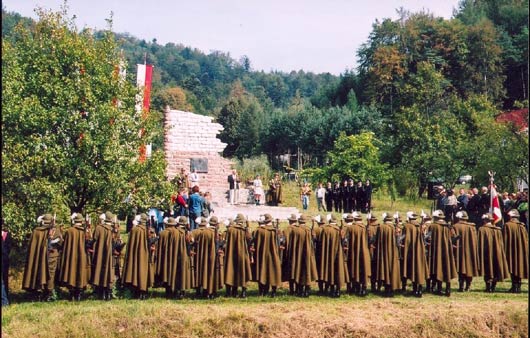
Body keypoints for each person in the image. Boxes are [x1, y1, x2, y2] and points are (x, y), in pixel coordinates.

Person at [58, 213, 90, 301]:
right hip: (82, 256)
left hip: (71, 256)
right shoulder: (85, 231)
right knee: (80, 273)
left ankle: (72, 295)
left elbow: (64, 243)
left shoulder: (69, 231)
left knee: (71, 273)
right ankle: (78, 294)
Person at [286, 214, 318, 297]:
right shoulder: (309, 230)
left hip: (297, 254)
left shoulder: (295, 230)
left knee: (298, 270)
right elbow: (314, 240)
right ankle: (307, 290)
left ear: (299, 221)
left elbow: (292, 244)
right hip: (308, 254)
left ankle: (299, 290)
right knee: (307, 271)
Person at [22, 214, 53, 300]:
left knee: (35, 271)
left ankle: (38, 294)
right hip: (46, 259)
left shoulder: (36, 231)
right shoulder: (48, 231)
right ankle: (41, 294)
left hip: (37, 258)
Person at [122, 213, 152, 299]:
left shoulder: (134, 230)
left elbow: (130, 245)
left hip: (135, 255)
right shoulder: (148, 230)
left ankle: (137, 293)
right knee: (144, 272)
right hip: (145, 255)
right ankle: (144, 292)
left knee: (136, 271)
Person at [427, 210, 457, 296]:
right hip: (447, 250)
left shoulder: (432, 226)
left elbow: (428, 238)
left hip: (436, 250)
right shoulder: (448, 226)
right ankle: (448, 289)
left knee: (438, 268)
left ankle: (439, 289)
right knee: (446, 267)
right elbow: (454, 237)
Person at [478, 214, 510, 292]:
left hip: (486, 253)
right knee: (495, 269)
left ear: (484, 220)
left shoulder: (482, 229)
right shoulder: (497, 230)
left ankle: (488, 287)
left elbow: (479, 243)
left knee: (487, 269)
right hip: (497, 253)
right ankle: (493, 287)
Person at [318, 214, 348, 297]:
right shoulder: (340, 230)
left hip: (327, 254)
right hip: (339, 254)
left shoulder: (325, 229)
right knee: (338, 271)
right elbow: (344, 242)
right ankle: (337, 291)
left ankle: (331, 290)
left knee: (330, 271)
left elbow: (321, 243)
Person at [252, 214, 282, 297]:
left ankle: (262, 292)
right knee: (273, 272)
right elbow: (279, 243)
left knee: (262, 271)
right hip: (274, 254)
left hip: (262, 254)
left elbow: (254, 241)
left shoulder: (259, 231)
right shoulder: (276, 231)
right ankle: (273, 292)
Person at [224, 214, 252, 298]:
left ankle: (229, 292)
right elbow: (249, 239)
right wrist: (248, 227)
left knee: (230, 271)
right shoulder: (244, 231)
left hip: (231, 254)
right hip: (242, 254)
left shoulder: (230, 230)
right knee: (243, 272)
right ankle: (243, 292)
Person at [401, 211, 429, 297]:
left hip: (411, 251)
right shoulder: (420, 226)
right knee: (419, 269)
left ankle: (414, 290)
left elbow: (405, 239)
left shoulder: (407, 226)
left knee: (412, 269)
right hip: (420, 250)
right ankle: (419, 290)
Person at [373, 213, 401, 297]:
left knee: (384, 269)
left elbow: (376, 240)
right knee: (392, 269)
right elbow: (398, 241)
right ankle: (391, 289)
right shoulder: (395, 228)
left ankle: (387, 289)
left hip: (383, 253)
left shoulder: (381, 227)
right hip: (393, 252)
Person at [344, 212, 371, 296]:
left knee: (354, 269)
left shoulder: (350, 228)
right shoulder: (365, 228)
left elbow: (346, 240)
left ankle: (355, 288)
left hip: (353, 252)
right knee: (363, 270)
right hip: (364, 252)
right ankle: (363, 289)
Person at [452, 211, 480, 292]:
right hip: (470, 251)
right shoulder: (472, 227)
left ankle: (461, 286)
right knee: (469, 268)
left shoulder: (455, 226)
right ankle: (468, 286)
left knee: (460, 269)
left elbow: (453, 239)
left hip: (459, 251)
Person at [503, 209, 528, 293]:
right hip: (521, 251)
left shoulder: (507, 225)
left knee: (513, 267)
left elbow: (504, 239)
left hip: (511, 250)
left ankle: (514, 286)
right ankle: (518, 286)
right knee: (519, 267)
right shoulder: (522, 226)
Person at [91, 211, 115, 300]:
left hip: (100, 254)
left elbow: (94, 239)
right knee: (109, 272)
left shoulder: (98, 228)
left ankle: (100, 293)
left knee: (100, 271)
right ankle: (108, 294)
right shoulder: (114, 229)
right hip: (110, 255)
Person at [2, 219, 11, 303]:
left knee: (4, 279)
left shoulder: (6, 234)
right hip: (5, 259)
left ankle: (5, 299)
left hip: (4, 260)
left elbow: (9, 248)